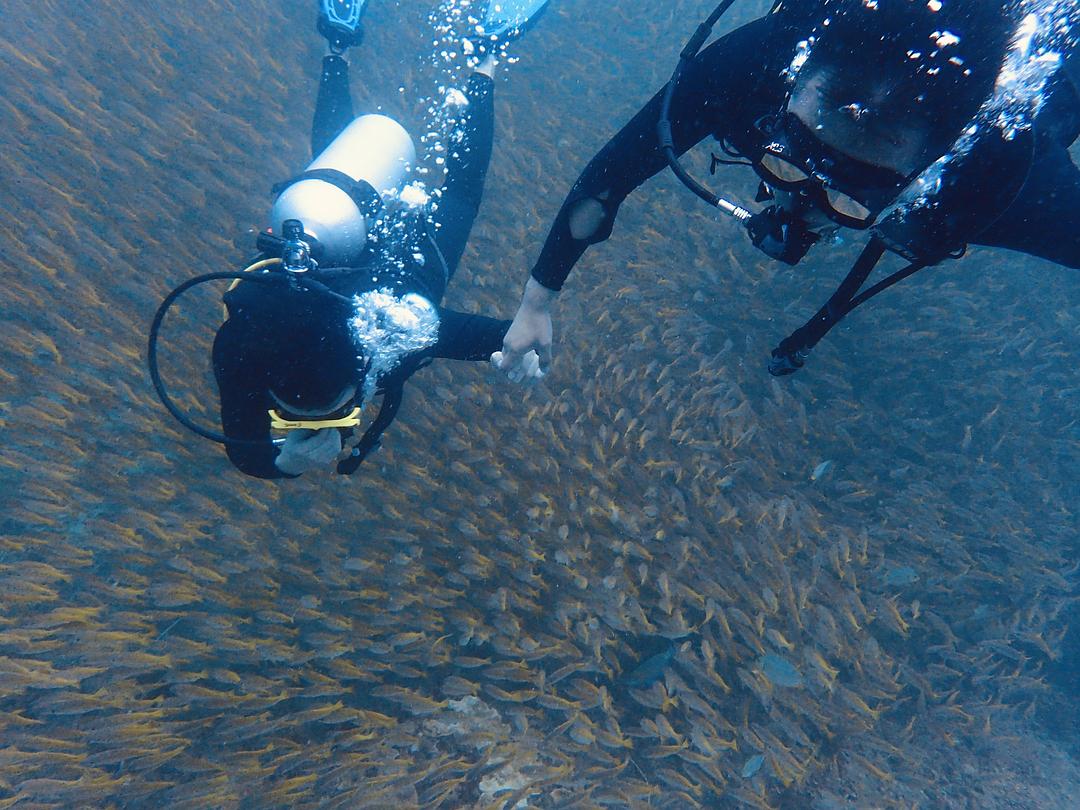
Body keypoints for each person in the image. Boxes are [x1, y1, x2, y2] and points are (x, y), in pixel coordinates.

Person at [493, 0, 1080, 381]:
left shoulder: (991, 182)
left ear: (925, 173)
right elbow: (613, 173)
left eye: (847, 200)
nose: (799, 204)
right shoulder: (755, 66)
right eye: (787, 165)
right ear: (791, 85)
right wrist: (537, 300)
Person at [211, 0, 550, 478]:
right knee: (333, 178)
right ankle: (338, 44)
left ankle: (486, 56)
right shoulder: (240, 348)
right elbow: (244, 453)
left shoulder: (390, 338)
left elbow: (488, 335)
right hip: (330, 233)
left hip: (412, 265)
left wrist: (520, 351)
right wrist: (282, 462)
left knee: (460, 192)